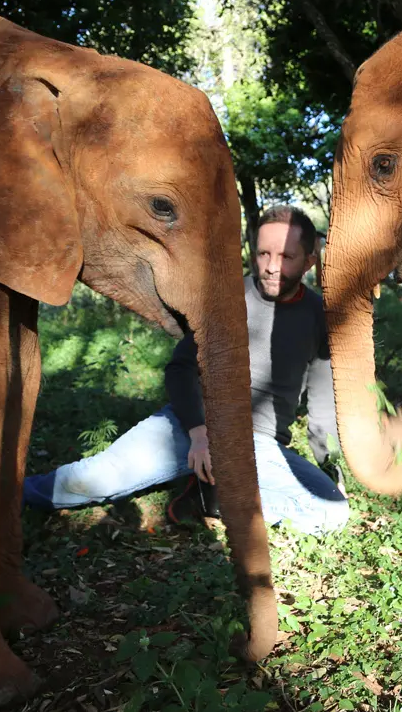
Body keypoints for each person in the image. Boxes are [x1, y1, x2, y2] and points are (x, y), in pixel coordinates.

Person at [23, 205, 348, 534]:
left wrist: (329, 465)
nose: (270, 267)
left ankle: (213, 497)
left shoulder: (319, 317)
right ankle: (3, 493)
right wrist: (198, 432)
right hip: (189, 426)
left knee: (331, 513)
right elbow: (181, 369)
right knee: (94, 479)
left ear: (309, 260)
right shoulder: (228, 297)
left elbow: (322, 401)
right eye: (264, 253)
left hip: (256, 444)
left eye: (286, 257)